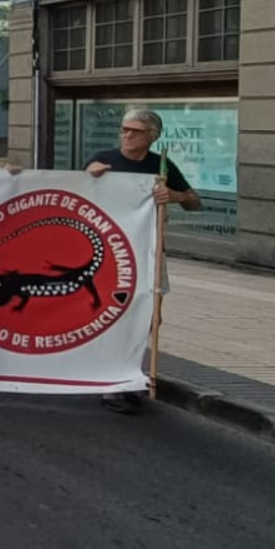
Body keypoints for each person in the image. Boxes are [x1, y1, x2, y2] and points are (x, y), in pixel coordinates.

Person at [87, 107, 202, 415]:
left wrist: (174, 196)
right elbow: (80, 197)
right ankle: (110, 380)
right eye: (124, 129)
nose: (127, 135)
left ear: (152, 136)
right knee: (114, 312)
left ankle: (129, 372)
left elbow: (195, 202)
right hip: (110, 251)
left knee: (149, 315)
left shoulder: (160, 165)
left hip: (149, 249)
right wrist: (90, 177)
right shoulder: (104, 159)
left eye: (135, 131)